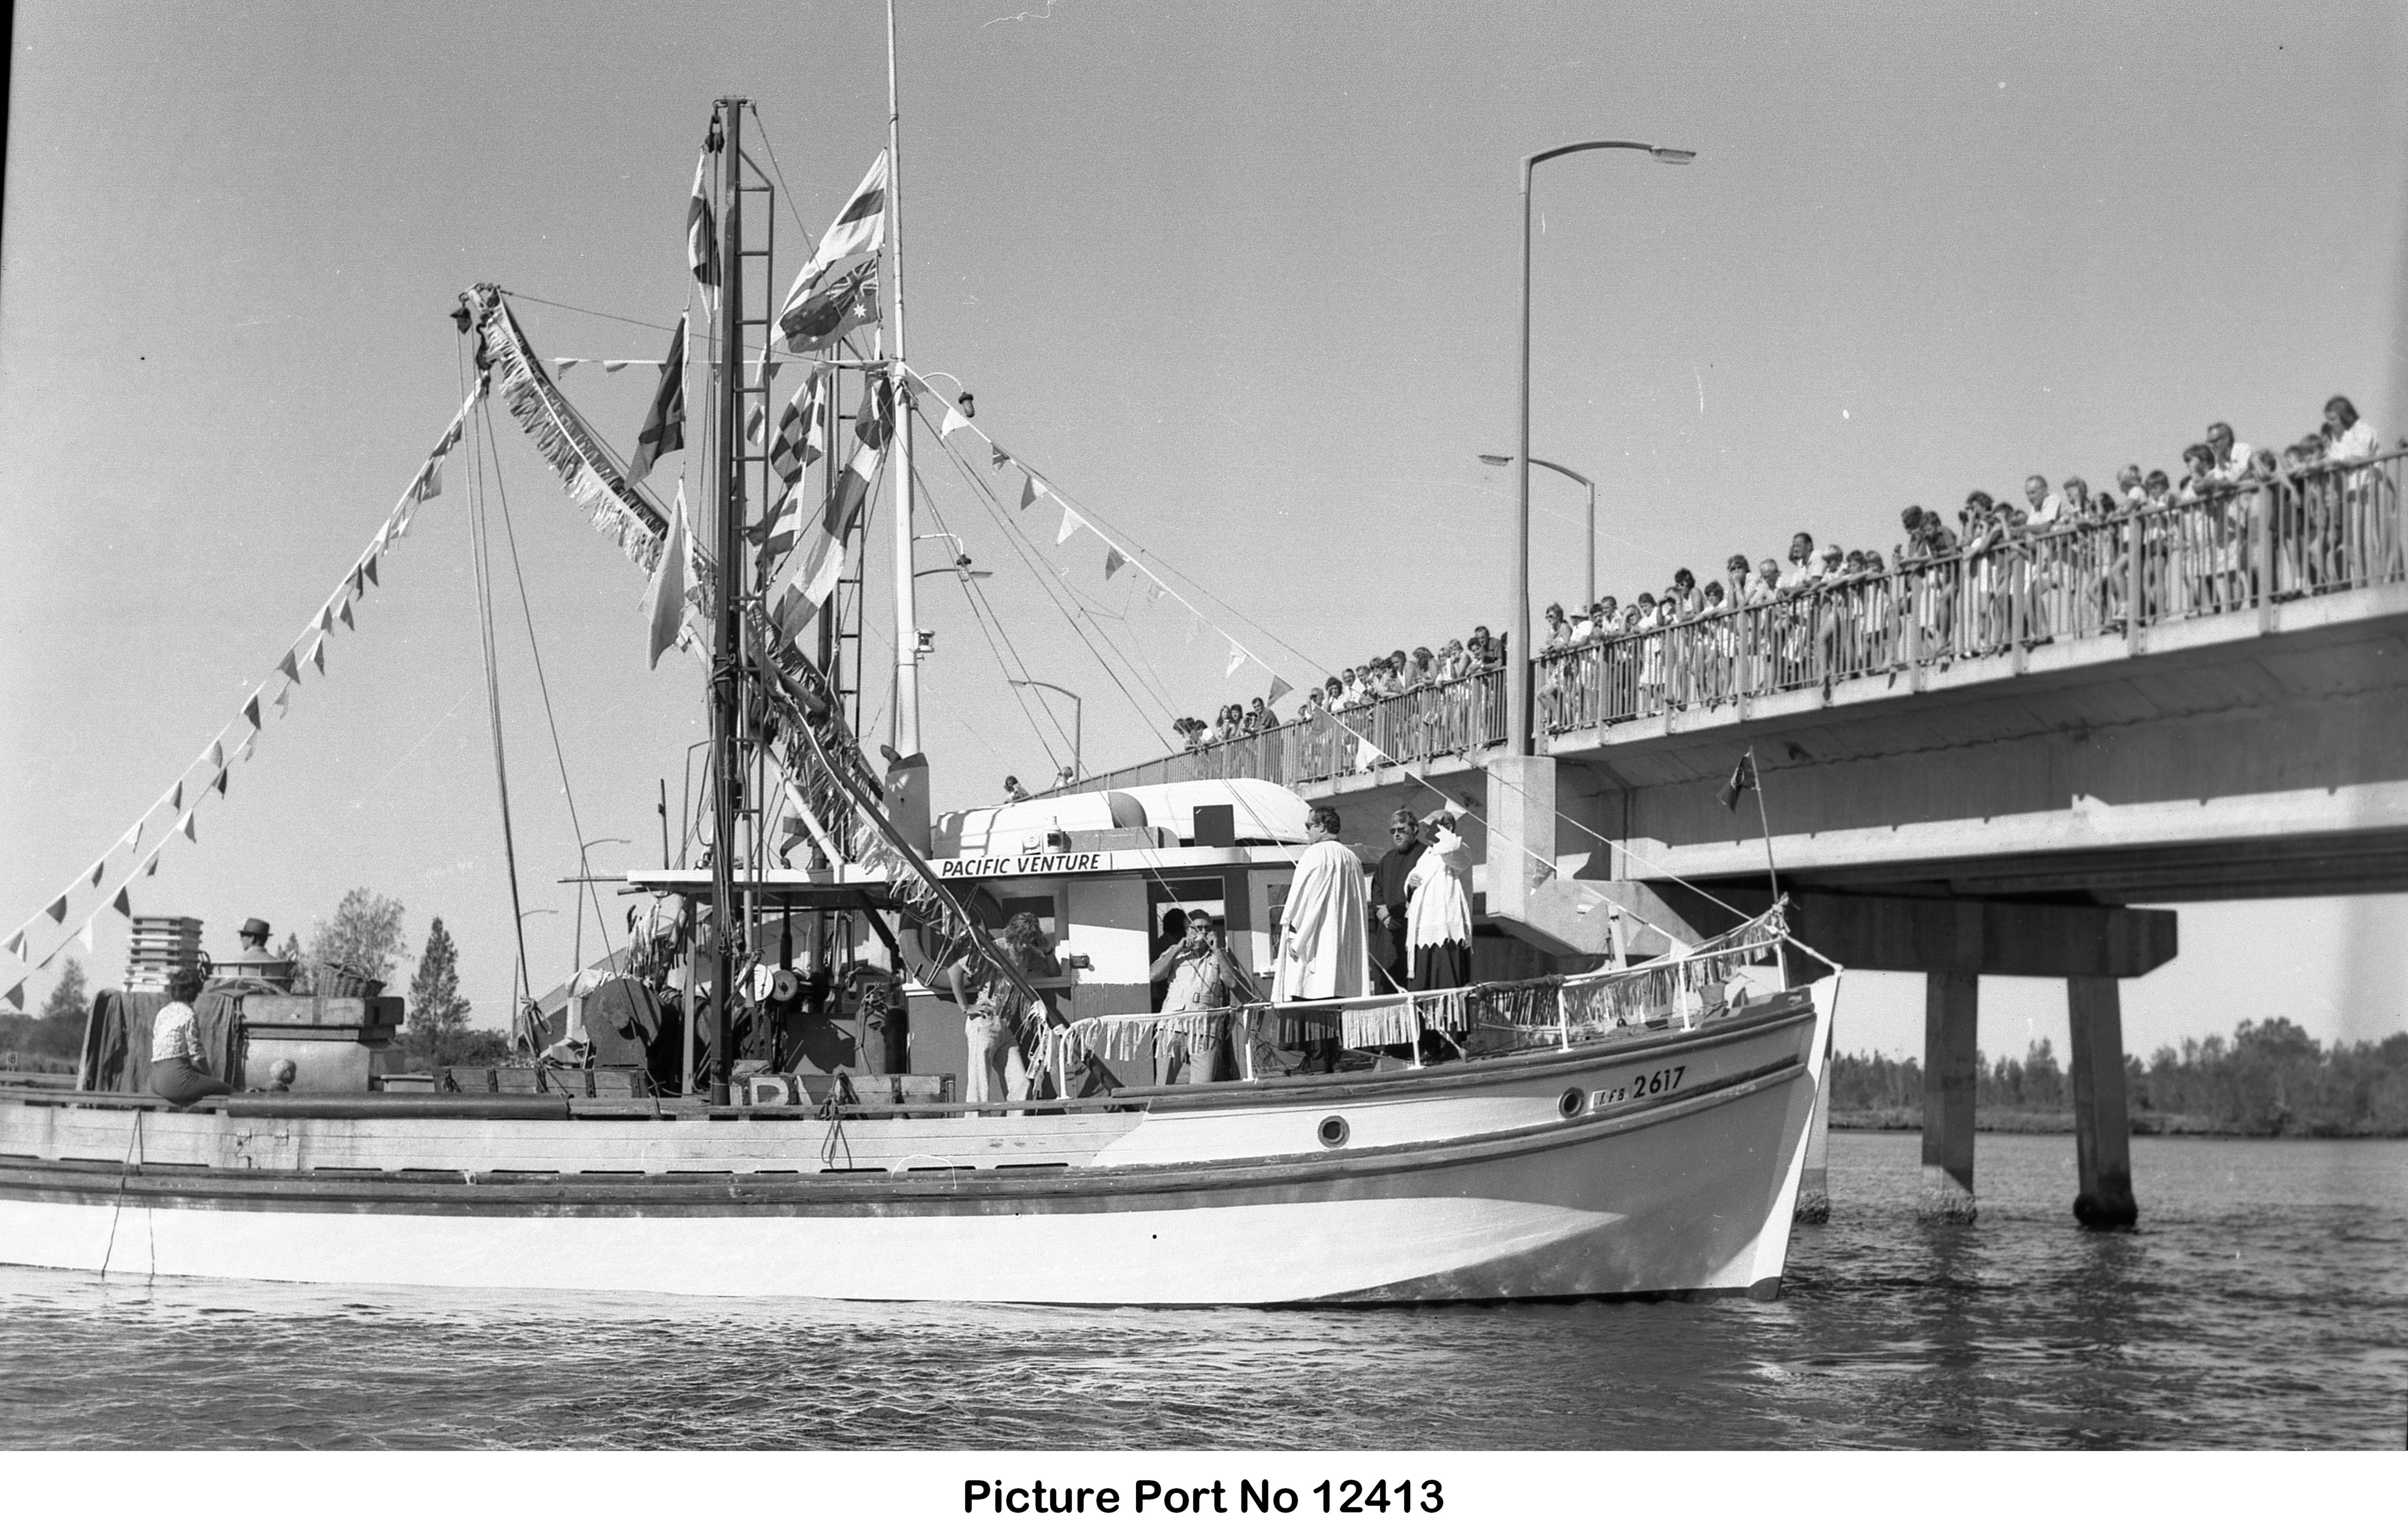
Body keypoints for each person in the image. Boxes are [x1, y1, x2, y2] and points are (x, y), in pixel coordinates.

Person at [1271, 805, 1369, 1073]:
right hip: (1342, 941)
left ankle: (1317, 1059)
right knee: (1332, 996)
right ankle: (1331, 1055)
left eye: (1309, 826)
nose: (1306, 832)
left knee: (1312, 994)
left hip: (1317, 941)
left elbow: (1304, 902)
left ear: (1322, 827)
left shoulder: (1315, 855)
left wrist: (1295, 937)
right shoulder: (1352, 858)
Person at [947, 919, 1044, 1110]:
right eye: (1021, 941)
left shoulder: (1027, 954)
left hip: (1005, 1027)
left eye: (1028, 941)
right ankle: (977, 1133)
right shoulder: (993, 949)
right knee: (979, 1087)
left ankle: (1014, 1131)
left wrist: (1047, 949)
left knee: (1021, 1085)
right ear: (1012, 936)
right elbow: (954, 969)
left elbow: (1053, 969)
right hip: (985, 1022)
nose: (1024, 946)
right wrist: (965, 1007)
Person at [1148, 913, 1250, 1084]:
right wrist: (1176, 949)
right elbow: (1154, 976)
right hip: (1173, 1025)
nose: (1202, 932)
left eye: (1207, 928)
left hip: (1205, 1027)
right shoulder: (1175, 953)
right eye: (1197, 928)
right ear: (1187, 931)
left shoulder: (1221, 956)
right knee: (1163, 1085)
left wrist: (1217, 950)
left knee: (1203, 1085)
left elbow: (1233, 983)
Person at [1403, 808, 1474, 995]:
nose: (1426, 831)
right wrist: (1410, 885)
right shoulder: (1426, 855)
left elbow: (1452, 849)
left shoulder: (1460, 850)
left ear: (1448, 826)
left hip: (1447, 931)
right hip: (1421, 933)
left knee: (1447, 989)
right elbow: (1411, 881)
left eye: (1430, 826)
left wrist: (1442, 832)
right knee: (1422, 990)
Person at [149, 967, 233, 1106]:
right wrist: (209, 1078)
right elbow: (197, 1054)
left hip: (156, 1080)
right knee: (228, 1091)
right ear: (193, 992)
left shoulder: (163, 1013)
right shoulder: (188, 1014)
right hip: (175, 1080)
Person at [1368, 807, 1424, 994]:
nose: (1397, 835)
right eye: (1393, 831)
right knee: (1386, 979)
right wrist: (1383, 914)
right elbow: (1377, 888)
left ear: (1415, 829)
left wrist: (1399, 915)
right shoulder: (1387, 859)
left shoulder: (1426, 855)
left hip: (1411, 928)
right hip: (1388, 931)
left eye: (1402, 829)